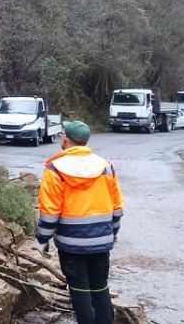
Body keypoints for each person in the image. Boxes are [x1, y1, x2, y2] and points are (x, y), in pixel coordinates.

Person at [37, 120, 124, 324]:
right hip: (101, 241)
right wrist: (113, 233)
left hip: (71, 244)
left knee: (79, 289)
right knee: (100, 286)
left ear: (65, 139)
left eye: (62, 135)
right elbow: (117, 207)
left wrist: (42, 240)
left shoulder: (55, 169)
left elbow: (50, 212)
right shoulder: (106, 167)